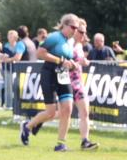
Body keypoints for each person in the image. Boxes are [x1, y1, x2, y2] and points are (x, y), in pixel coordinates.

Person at [20, 14, 81, 152]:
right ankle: (28, 126)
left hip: (63, 76)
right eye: (73, 27)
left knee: (68, 109)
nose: (75, 31)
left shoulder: (70, 41)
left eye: (77, 28)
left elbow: (66, 59)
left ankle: (61, 143)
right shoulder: (54, 37)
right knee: (51, 112)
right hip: (49, 74)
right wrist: (60, 61)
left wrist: (72, 64)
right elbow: (39, 53)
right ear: (64, 25)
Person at [69, 19, 99, 150]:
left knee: (85, 111)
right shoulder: (67, 44)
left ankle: (85, 141)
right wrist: (79, 62)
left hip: (78, 81)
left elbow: (79, 60)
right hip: (66, 81)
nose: (83, 35)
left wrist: (84, 61)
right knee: (56, 113)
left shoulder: (80, 46)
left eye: (84, 32)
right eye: (81, 32)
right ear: (74, 30)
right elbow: (63, 60)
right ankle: (31, 125)